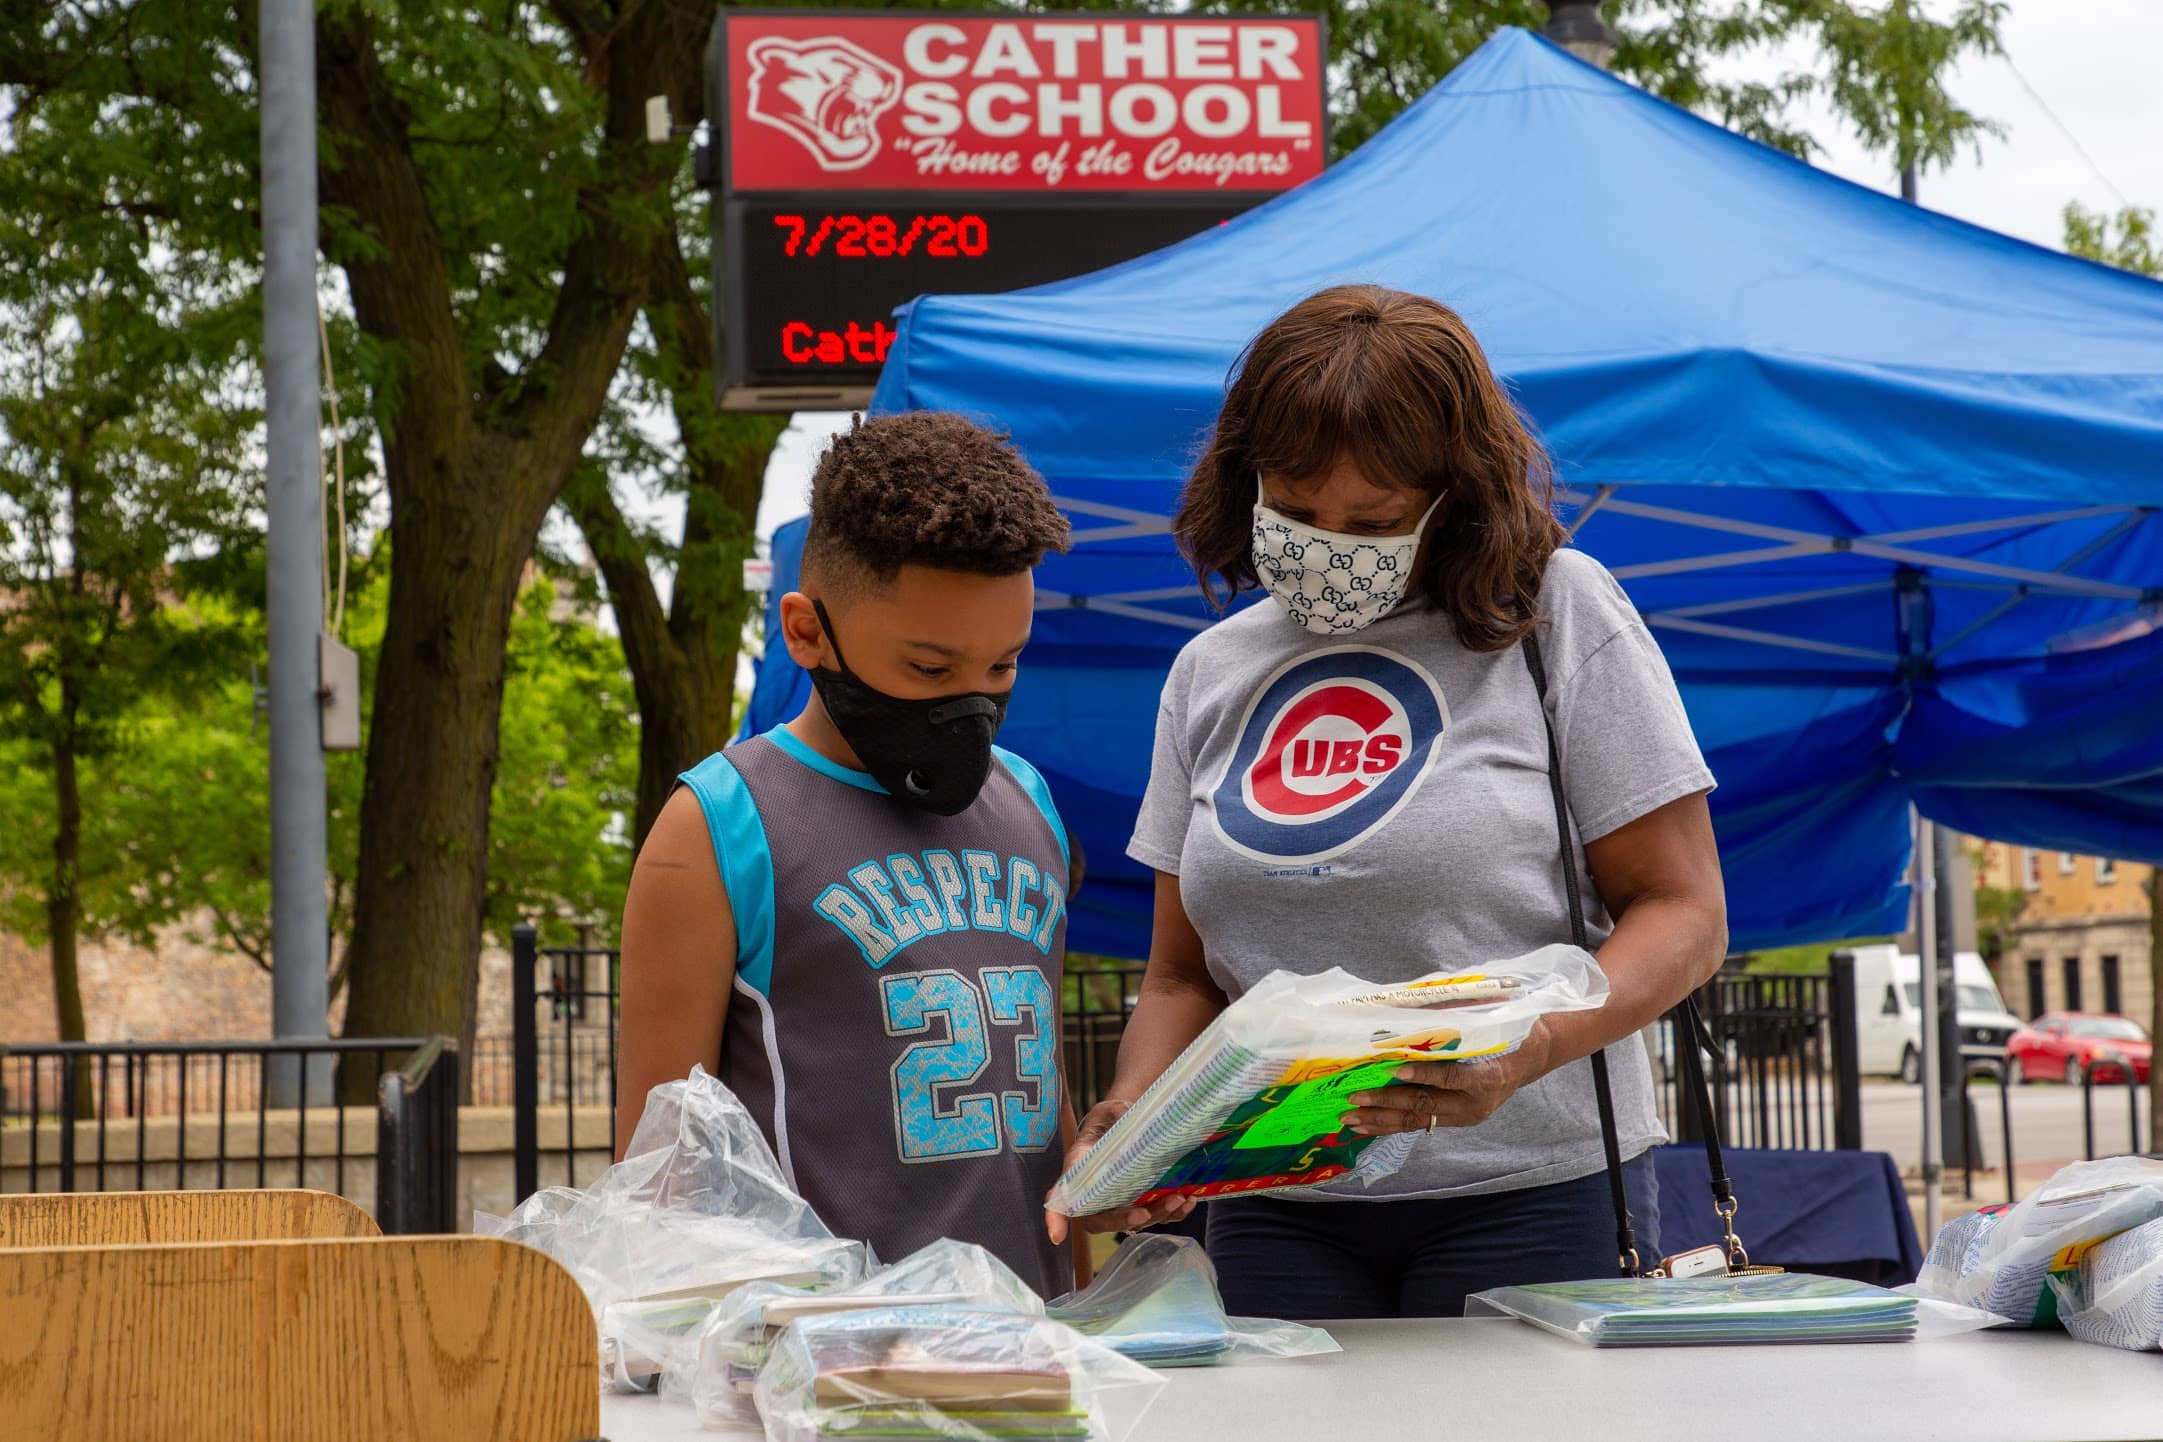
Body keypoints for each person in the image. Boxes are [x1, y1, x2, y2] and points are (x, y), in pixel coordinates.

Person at [1050, 285, 1729, 1320]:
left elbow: (1685, 913)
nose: (1327, 542)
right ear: (1244, 477)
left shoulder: (1556, 612)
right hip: (1274, 1195)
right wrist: (1139, 1120)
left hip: (1533, 1189)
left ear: (1458, 495)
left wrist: (1528, 1048)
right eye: (1295, 506)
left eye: (1371, 520)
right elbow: (1183, 972)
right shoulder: (1208, 670)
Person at [618, 411, 1083, 1297]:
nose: (971, 705)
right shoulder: (716, 825)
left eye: (1003, 668)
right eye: (929, 669)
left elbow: (1041, 1088)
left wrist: (1088, 1304)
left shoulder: (1029, 804)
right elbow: (660, 1174)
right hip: (825, 1373)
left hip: (1038, 1359)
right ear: (807, 633)